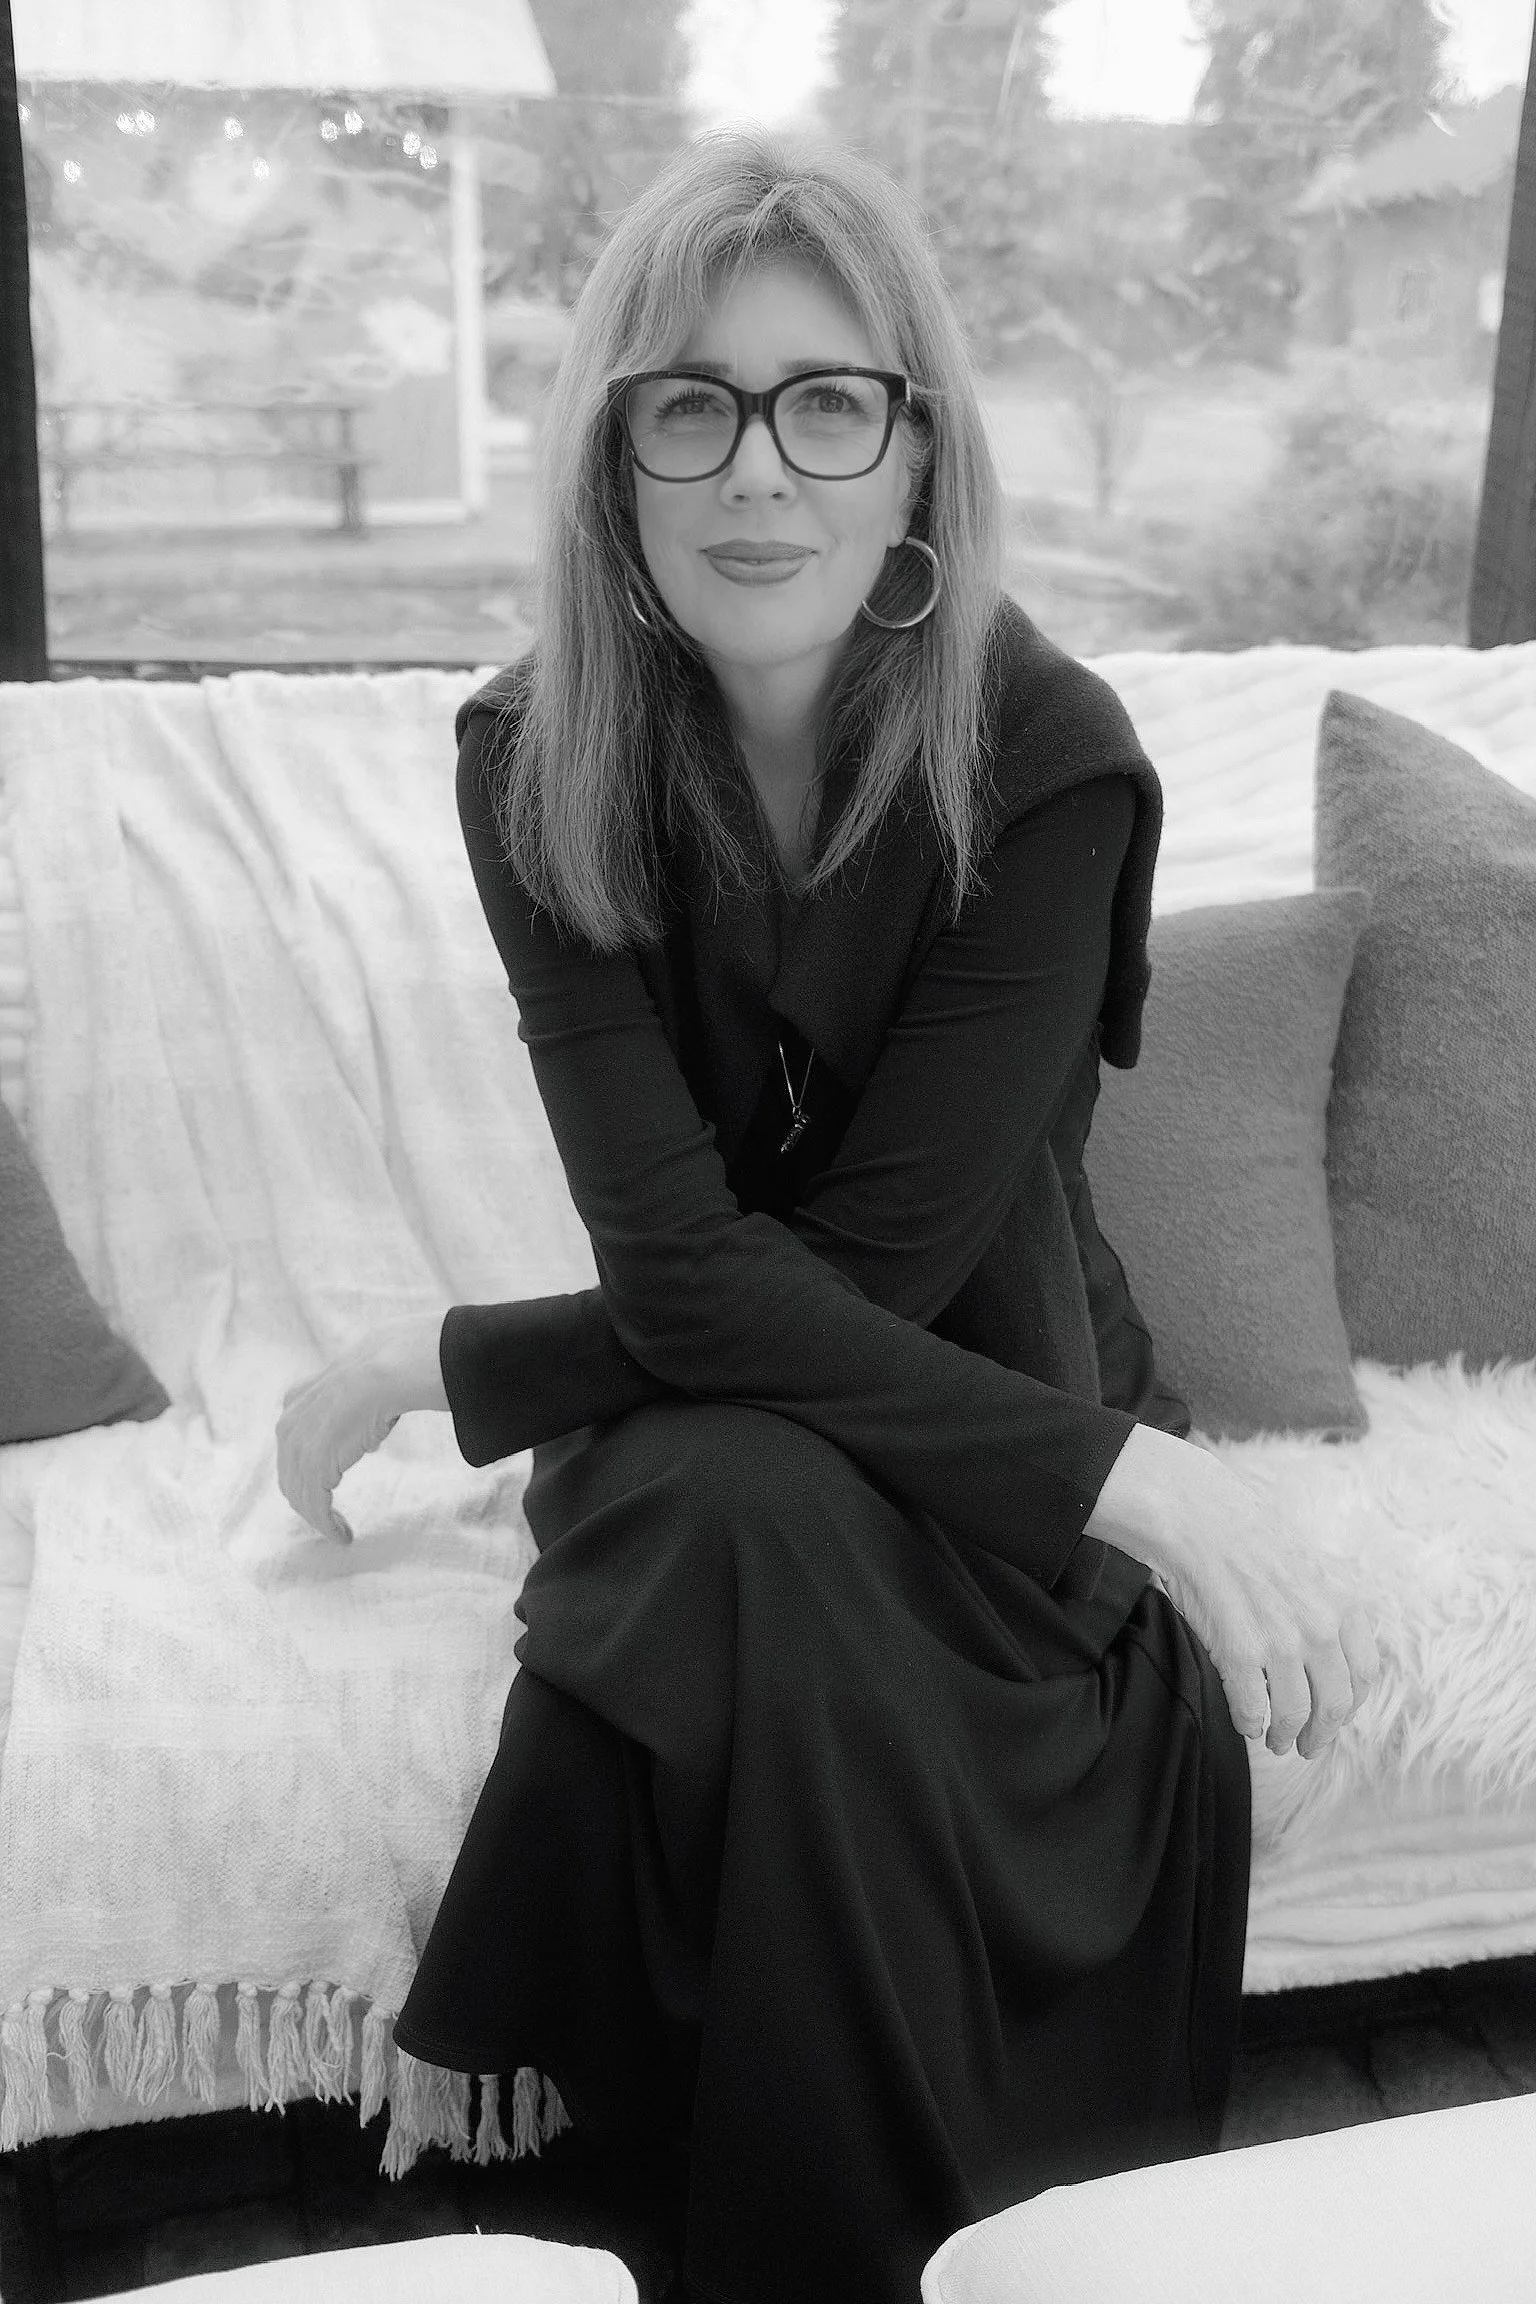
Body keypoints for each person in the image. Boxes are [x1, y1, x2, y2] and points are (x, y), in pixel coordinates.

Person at [276, 127, 1380, 2304]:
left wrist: (453, 1366)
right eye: (690, 405)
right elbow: (693, 1281)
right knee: (727, 1499)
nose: (760, 469)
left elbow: (870, 1271)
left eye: (828, 403)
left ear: (916, 454)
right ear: (614, 465)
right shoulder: (534, 757)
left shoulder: (1044, 754)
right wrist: (1137, 1483)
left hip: (992, 1413)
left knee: (716, 1506)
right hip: (782, 1411)